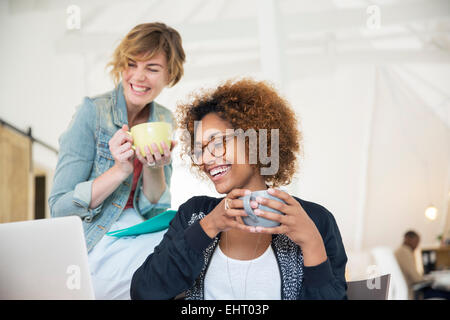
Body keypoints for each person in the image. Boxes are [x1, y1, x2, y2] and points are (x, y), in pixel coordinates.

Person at [130, 78, 348, 300]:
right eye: (200, 149)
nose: (205, 159)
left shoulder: (316, 220)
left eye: (216, 143)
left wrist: (312, 243)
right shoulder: (195, 214)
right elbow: (145, 293)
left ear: (255, 140)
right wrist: (208, 226)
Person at [48, 22, 186, 299]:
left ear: (170, 75)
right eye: (131, 64)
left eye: (153, 68)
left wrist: (154, 167)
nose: (138, 76)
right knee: (170, 270)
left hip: (138, 229)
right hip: (96, 235)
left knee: (188, 252)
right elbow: (59, 209)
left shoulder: (164, 119)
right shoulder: (93, 112)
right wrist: (119, 170)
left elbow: (155, 210)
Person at [395, 230, 450, 300]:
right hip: (414, 292)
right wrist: (429, 279)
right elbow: (415, 278)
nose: (417, 245)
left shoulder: (401, 251)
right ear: (407, 239)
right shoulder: (404, 252)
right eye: (416, 242)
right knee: (446, 293)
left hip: (412, 289)